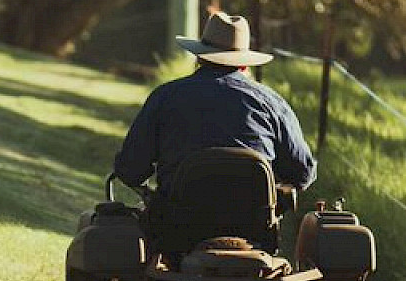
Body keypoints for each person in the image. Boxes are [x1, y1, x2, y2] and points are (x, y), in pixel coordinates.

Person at [113, 12, 317, 193]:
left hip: (176, 224)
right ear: (244, 65)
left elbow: (131, 170)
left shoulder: (165, 96)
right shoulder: (272, 104)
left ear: (199, 57)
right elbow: (303, 174)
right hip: (252, 224)